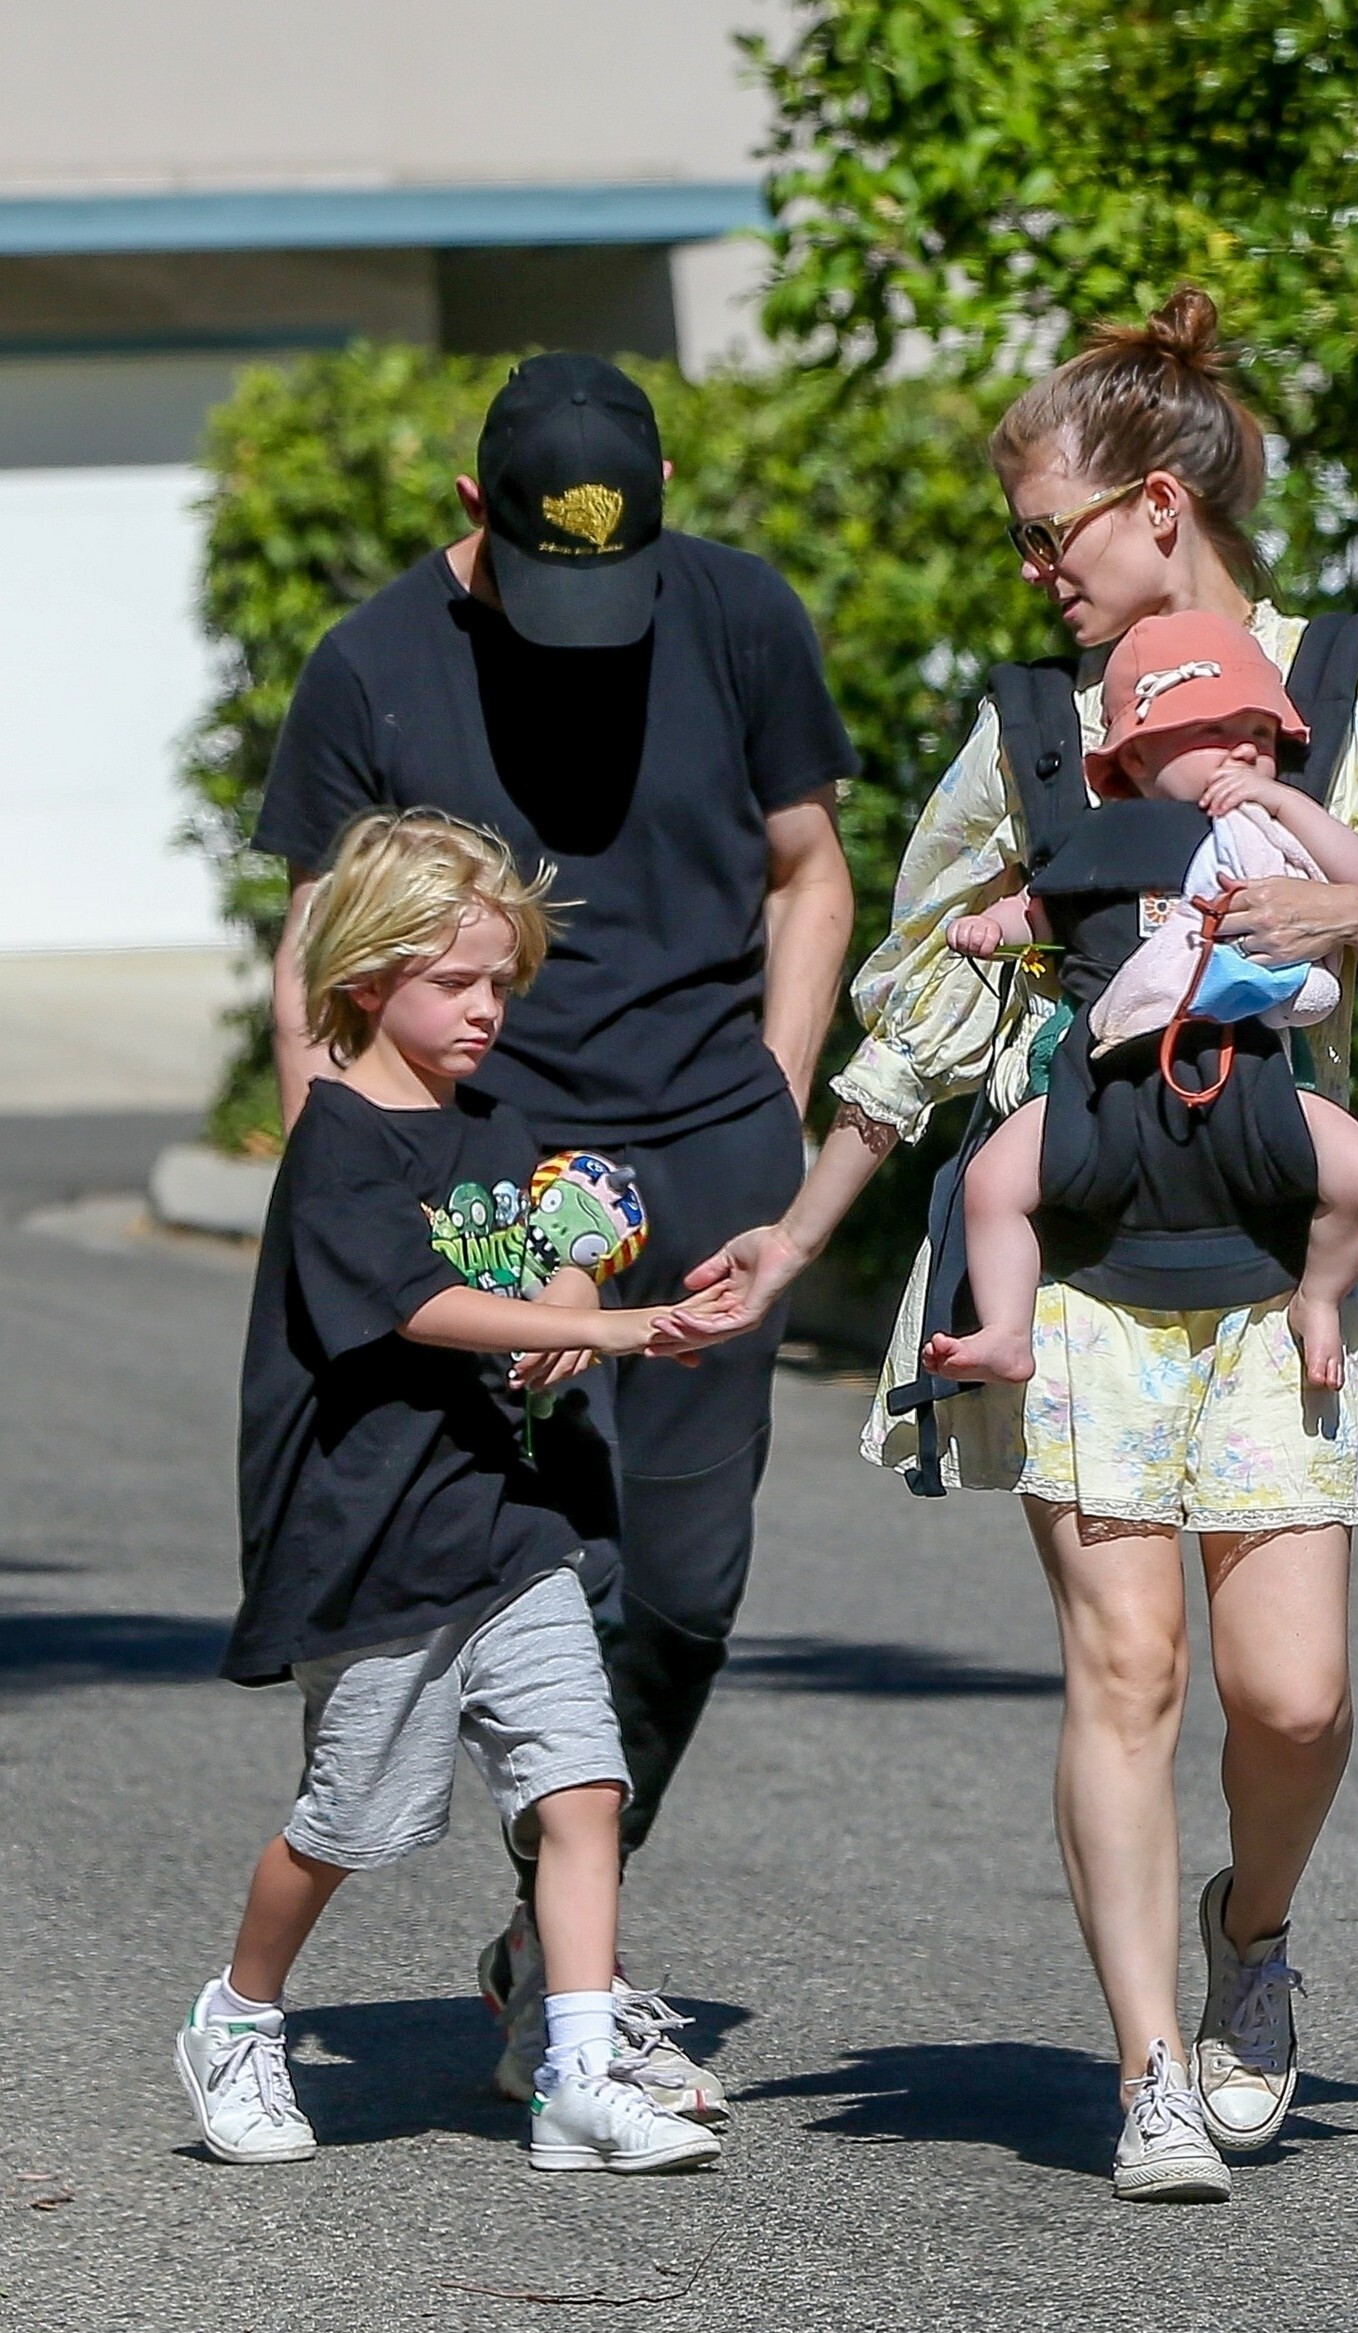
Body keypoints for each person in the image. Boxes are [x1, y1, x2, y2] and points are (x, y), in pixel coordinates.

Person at [670, 288, 1358, 2201]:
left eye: (1046, 533)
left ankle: (1252, 1935)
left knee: (1293, 1698)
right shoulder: (1035, 732)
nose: (1034, 571)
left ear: (1161, 504)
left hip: (1280, 1250)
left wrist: (1356, 924)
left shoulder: (1355, 686)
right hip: (1077, 1252)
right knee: (1125, 1665)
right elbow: (925, 999)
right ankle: (1147, 2068)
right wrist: (802, 1225)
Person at [253, 353, 858, 2111]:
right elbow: (316, 955)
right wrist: (342, 1192)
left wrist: (774, 1101)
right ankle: (576, 1986)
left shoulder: (741, 617)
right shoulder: (374, 663)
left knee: (685, 1587)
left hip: (708, 1151)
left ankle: (543, 1950)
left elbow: (808, 869)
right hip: (482, 1179)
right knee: (543, 1571)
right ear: (474, 513)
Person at [176, 812, 722, 2175]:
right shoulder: (340, 1144)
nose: (488, 1009)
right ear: (368, 980)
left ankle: (577, 2076)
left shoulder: (496, 1124)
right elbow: (418, 1304)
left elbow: (567, 1219)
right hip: (374, 1547)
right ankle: (237, 2019)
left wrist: (573, 1285)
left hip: (508, 1527)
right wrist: (613, 1329)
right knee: (347, 1824)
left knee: (582, 1790)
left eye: (501, 981)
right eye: (456, 982)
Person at [936, 609, 1358, 1391]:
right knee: (990, 1183)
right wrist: (992, 927)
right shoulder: (1096, 839)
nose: (1247, 748)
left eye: (1262, 732)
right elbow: (1041, 913)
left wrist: (1281, 802)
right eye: (1217, 730)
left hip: (1244, 1069)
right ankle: (1007, 1329)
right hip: (1102, 1079)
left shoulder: (1269, 838)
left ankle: (1318, 1297)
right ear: (1138, 752)